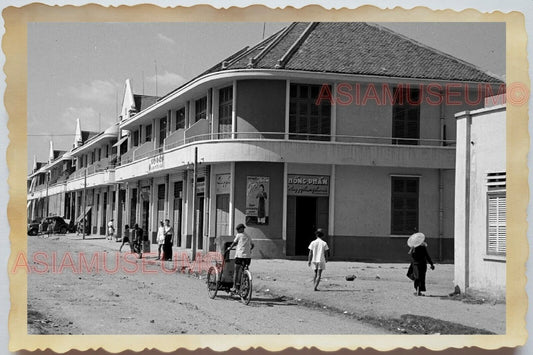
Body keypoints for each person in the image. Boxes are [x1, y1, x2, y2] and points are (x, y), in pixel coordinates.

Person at [226, 223, 254, 292]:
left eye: (238, 229)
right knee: (245, 268)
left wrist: (229, 248)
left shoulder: (239, 235)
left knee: (236, 271)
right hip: (248, 257)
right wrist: (249, 250)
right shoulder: (248, 236)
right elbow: (252, 245)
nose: (237, 231)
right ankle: (244, 280)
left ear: (242, 229)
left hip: (240, 256)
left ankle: (234, 287)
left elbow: (234, 243)